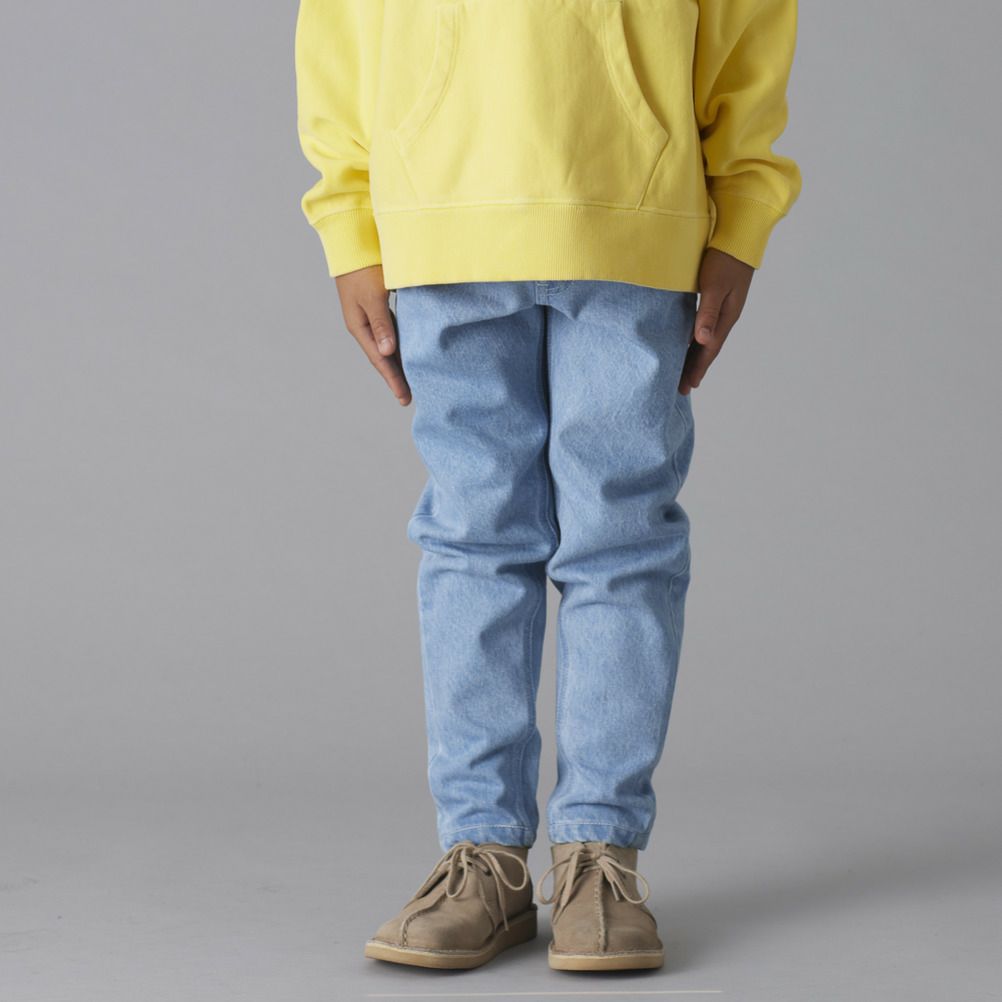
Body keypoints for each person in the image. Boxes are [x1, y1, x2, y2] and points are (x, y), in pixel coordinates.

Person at [295, 0, 801, 973]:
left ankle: (599, 857)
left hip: (633, 220)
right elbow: (337, 35)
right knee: (473, 537)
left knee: (623, 538)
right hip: (440, 220)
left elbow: (748, 24)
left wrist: (741, 217)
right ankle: (483, 857)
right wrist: (350, 225)